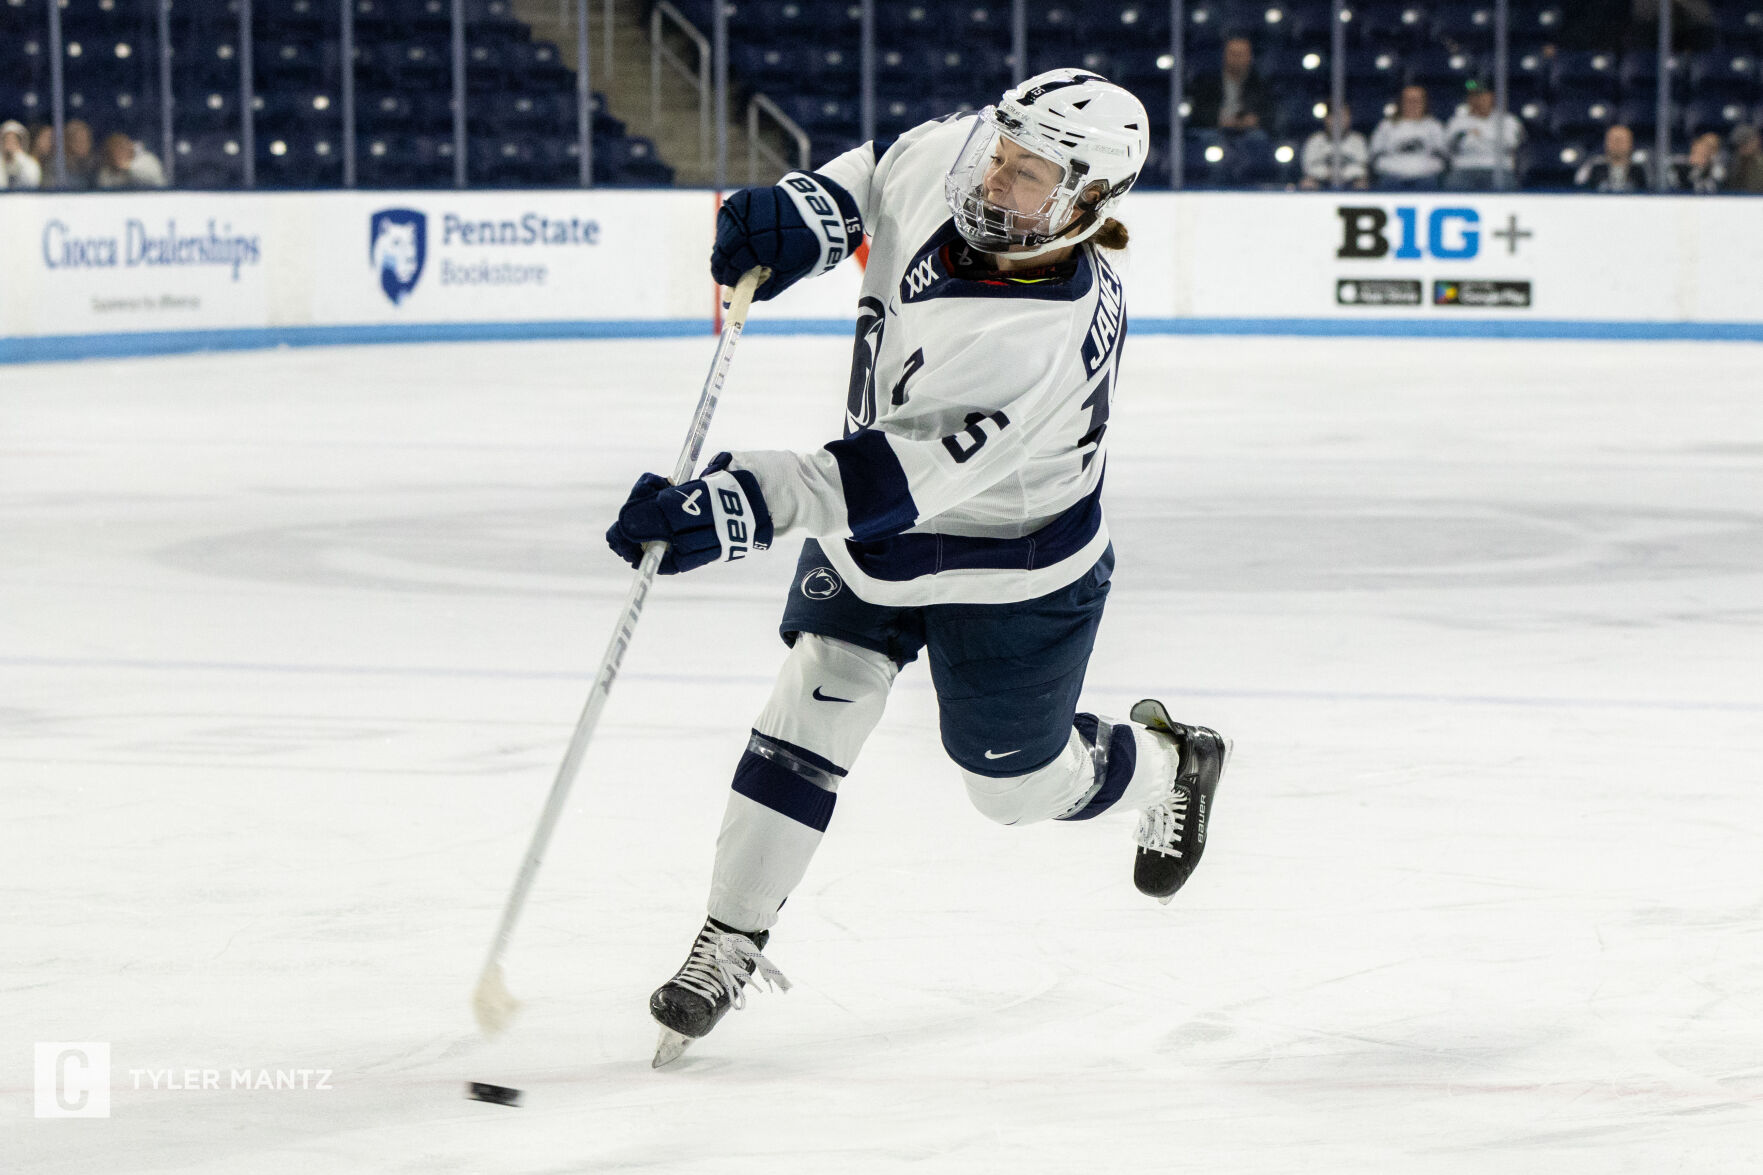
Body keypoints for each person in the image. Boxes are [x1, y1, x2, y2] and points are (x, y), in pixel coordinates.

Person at [603, 68, 1232, 1066]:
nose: (995, 181)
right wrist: (806, 212)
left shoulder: (1036, 336)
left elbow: (881, 481)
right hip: (875, 539)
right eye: (1001, 153)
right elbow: (882, 169)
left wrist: (736, 503)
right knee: (812, 703)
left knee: (1010, 789)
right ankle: (728, 935)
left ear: (1089, 205)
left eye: (1031, 178)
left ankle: (1162, 761)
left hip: (1011, 569)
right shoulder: (961, 156)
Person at [1443, 80, 1524, 190]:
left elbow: (1510, 144)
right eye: (1475, 96)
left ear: (1492, 97)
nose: (1479, 100)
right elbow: (1451, 147)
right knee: (1453, 182)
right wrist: (1490, 140)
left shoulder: (1508, 120)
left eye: (1483, 96)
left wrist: (1481, 134)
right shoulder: (1457, 122)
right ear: (1469, 99)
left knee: (1506, 182)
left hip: (1498, 168)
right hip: (1465, 168)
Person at [1188, 36, 1272, 133]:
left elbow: (1269, 114)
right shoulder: (1208, 82)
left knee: (1258, 137)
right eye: (1233, 54)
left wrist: (1254, 119)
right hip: (1215, 131)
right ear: (1224, 55)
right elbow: (1198, 111)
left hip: (1248, 133)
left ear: (1250, 57)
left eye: (1241, 54)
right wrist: (1219, 119)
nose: (1237, 58)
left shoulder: (1260, 84)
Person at [1370, 85, 1448, 190]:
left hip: (1425, 178)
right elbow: (1375, 156)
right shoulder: (1386, 126)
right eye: (1408, 100)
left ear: (1424, 102)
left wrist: (1422, 169)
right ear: (1401, 102)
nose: (1413, 104)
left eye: (1417, 100)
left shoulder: (1434, 126)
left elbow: (1443, 157)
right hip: (1392, 177)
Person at [1299, 101, 1369, 189]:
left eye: (1344, 116)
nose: (1340, 120)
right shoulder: (1315, 140)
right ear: (1327, 119)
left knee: (1362, 184)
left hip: (1350, 183)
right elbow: (1308, 168)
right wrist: (1327, 173)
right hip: (1321, 182)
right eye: (1335, 116)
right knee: (1307, 183)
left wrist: (1342, 174)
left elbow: (1362, 168)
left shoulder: (1358, 140)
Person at [1575, 123, 1649, 192]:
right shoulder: (1594, 165)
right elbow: (1579, 186)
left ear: (1630, 143)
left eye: (1621, 140)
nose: (1617, 144)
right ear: (1605, 142)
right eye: (1613, 140)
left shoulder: (1640, 168)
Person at [94, 132, 167, 189]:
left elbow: (154, 179)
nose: (118, 152)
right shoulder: (107, 172)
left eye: (122, 147)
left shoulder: (147, 160)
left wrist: (129, 167)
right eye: (114, 149)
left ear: (130, 147)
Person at [1, 120, 43, 189]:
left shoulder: (30, 163)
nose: (9, 144)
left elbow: (33, 182)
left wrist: (19, 157)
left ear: (20, 143)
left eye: (13, 140)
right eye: (6, 140)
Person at [1725, 125, 1763, 194]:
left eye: (1745, 143)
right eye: (1739, 145)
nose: (1742, 148)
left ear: (1756, 141)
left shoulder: (1760, 162)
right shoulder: (1733, 162)